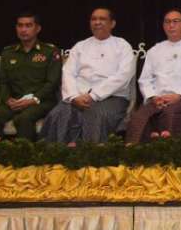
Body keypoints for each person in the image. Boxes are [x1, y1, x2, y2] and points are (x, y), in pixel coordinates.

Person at [40, 8, 136, 144]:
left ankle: (91, 154)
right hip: (78, 96)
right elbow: (68, 72)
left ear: (112, 23)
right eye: (93, 19)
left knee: (94, 114)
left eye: (102, 19)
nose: (97, 22)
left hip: (112, 97)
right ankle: (59, 153)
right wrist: (73, 96)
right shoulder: (80, 46)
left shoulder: (122, 46)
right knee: (59, 113)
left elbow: (123, 76)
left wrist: (93, 95)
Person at [126, 9, 181, 143]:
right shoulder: (154, 50)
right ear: (163, 26)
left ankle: (168, 154)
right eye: (167, 22)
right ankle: (137, 154)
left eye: (175, 21)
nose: (171, 25)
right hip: (157, 99)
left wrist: (179, 96)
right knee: (139, 117)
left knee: (170, 114)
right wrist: (153, 97)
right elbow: (145, 80)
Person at [0, 12, 61, 141]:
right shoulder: (8, 52)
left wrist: (33, 99)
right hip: (15, 101)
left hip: (41, 101)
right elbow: (3, 82)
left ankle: (24, 153)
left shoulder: (50, 51)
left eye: (28, 25)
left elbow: (52, 83)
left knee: (24, 118)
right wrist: (8, 100)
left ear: (38, 29)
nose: (23, 29)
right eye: (20, 25)